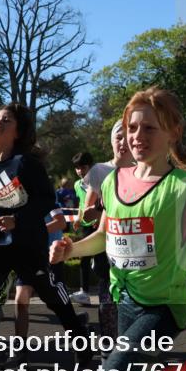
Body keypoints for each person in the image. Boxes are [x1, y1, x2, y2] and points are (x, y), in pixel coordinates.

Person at [49, 87, 186, 371]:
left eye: (149, 128)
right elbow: (104, 236)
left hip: (164, 308)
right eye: (131, 128)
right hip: (125, 300)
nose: (137, 136)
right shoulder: (112, 181)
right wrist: (72, 249)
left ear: (173, 132)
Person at [0, 103, 92, 366]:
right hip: (1, 244)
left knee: (54, 299)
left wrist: (18, 219)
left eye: (6, 121)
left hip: (30, 244)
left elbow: (46, 199)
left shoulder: (26, 163)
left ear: (18, 132)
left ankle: (82, 344)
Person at [78, 120, 135, 339]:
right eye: (118, 137)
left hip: (138, 247)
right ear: (111, 141)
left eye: (127, 136)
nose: (123, 142)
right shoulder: (100, 171)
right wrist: (98, 211)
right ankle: (109, 352)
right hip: (107, 246)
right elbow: (86, 213)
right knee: (108, 302)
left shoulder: (147, 171)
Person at [12, 207, 70, 348]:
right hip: (29, 257)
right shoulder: (18, 199)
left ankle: (79, 330)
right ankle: (20, 349)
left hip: (51, 258)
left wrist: (34, 231)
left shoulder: (47, 195)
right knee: (21, 300)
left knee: (59, 305)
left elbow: (60, 222)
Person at [70, 151, 99, 306]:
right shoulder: (76, 184)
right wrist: (78, 219)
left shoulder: (100, 181)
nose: (80, 171)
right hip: (85, 226)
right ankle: (84, 292)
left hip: (99, 225)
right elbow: (82, 204)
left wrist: (99, 219)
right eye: (77, 168)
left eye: (83, 167)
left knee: (102, 260)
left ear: (91, 167)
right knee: (84, 259)